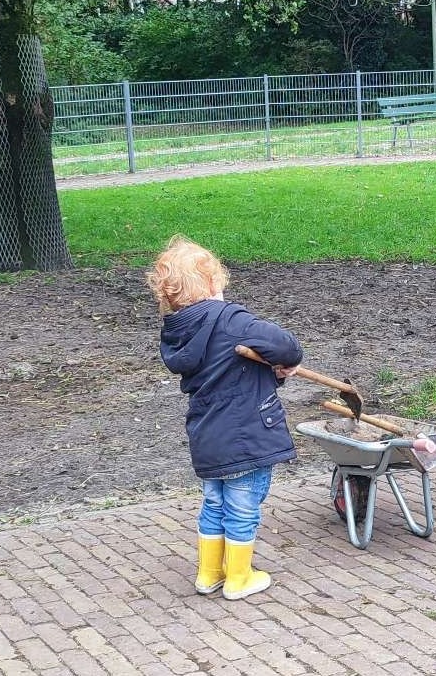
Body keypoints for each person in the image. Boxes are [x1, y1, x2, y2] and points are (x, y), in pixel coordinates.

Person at [148, 235, 303, 600]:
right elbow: (287, 346)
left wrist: (273, 370)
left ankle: (208, 573)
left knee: (214, 501)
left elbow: (229, 366)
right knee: (244, 504)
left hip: (207, 434)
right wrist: (287, 362)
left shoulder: (177, 332)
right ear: (214, 282)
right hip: (247, 434)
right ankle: (238, 577)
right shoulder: (229, 319)